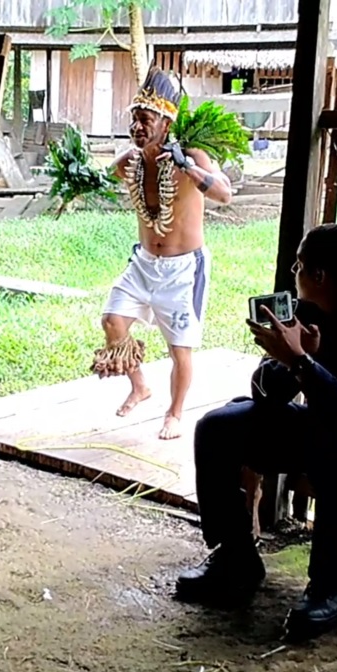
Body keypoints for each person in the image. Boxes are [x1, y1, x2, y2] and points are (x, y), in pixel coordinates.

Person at [173, 224, 337, 640]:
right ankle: (235, 557)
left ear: (319, 276)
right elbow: (266, 394)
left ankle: (333, 586)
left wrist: (304, 365)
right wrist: (286, 359)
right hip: (329, 426)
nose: (293, 271)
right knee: (218, 427)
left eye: (299, 264)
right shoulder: (309, 312)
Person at [91, 68, 234, 440]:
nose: (137, 127)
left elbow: (224, 193)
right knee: (112, 322)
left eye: (146, 119)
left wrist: (185, 164)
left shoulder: (192, 156)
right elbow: (100, 181)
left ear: (166, 123)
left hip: (184, 268)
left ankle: (174, 412)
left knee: (179, 349)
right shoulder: (129, 162)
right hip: (142, 263)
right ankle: (140, 386)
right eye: (134, 119)